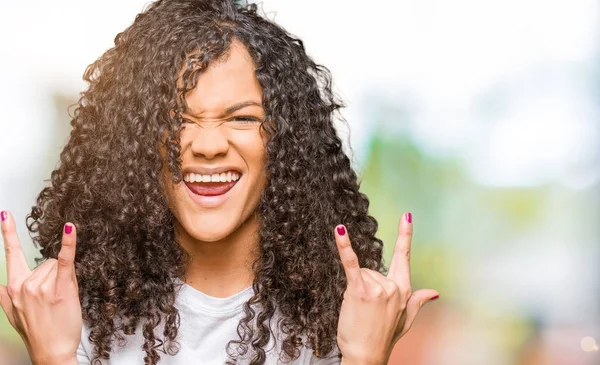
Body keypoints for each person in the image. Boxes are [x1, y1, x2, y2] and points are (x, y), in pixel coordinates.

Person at [0, 1, 439, 364]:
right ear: (132, 145)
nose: (208, 145)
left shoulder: (345, 319)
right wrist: (52, 355)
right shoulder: (74, 315)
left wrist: (365, 357)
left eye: (243, 117)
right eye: (176, 120)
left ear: (288, 140)